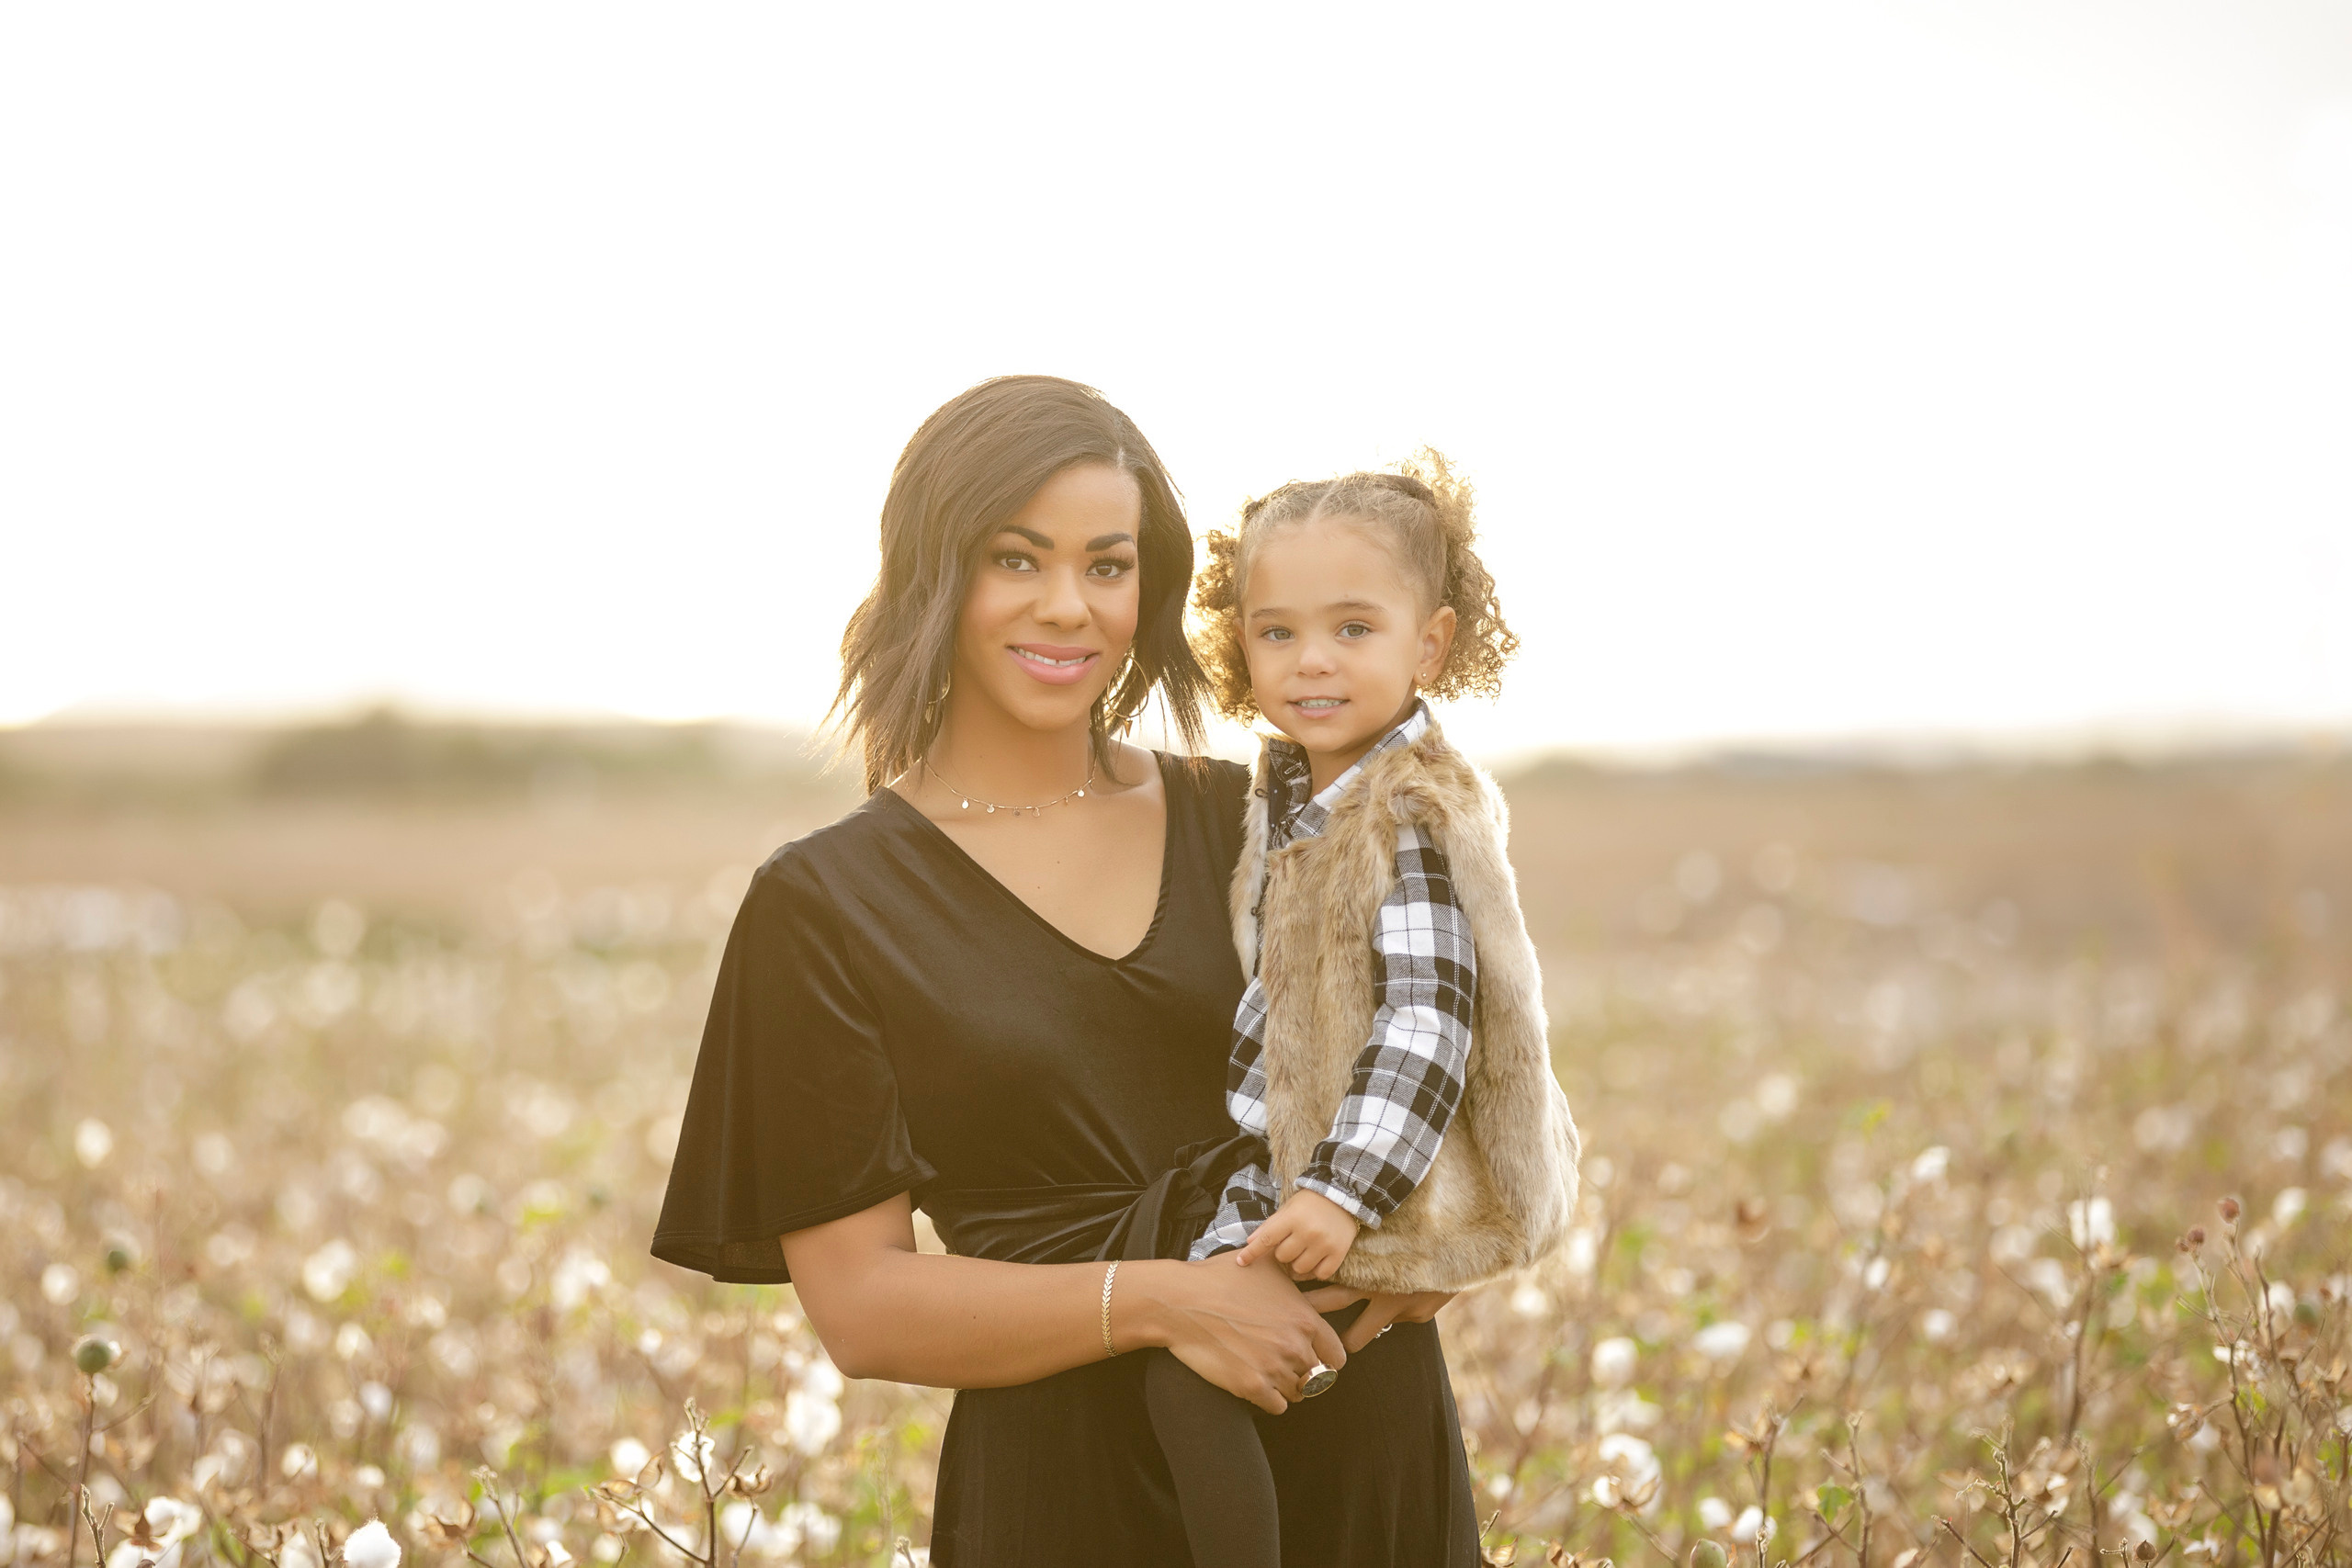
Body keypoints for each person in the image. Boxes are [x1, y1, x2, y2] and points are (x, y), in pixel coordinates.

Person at [649, 378, 1482, 1566]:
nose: (1067, 605)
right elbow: (861, 1305)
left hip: (1355, 1432)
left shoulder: (1254, 816)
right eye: (1015, 557)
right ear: (935, 572)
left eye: (1106, 562)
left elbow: (1445, 1048)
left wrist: (1431, 1255)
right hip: (1068, 1485)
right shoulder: (825, 906)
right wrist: (1166, 1298)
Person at [1145, 452, 1582, 1568]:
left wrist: (1344, 1193)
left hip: (1358, 1190)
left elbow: (1427, 1025)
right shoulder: (1294, 793)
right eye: (1277, 632)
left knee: (1184, 1376)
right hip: (1306, 1176)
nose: (1311, 662)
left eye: (1353, 628)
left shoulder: (1407, 811)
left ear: (1427, 645)